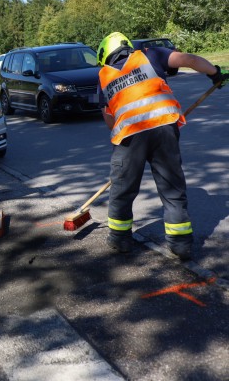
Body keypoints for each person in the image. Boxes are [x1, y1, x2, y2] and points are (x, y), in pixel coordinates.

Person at [96, 32, 229, 260]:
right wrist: (215, 73)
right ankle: (180, 245)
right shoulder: (150, 55)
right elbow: (190, 60)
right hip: (164, 127)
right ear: (128, 46)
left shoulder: (103, 77)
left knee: (122, 189)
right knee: (172, 189)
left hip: (130, 136)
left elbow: (109, 120)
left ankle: (120, 239)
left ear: (105, 56)